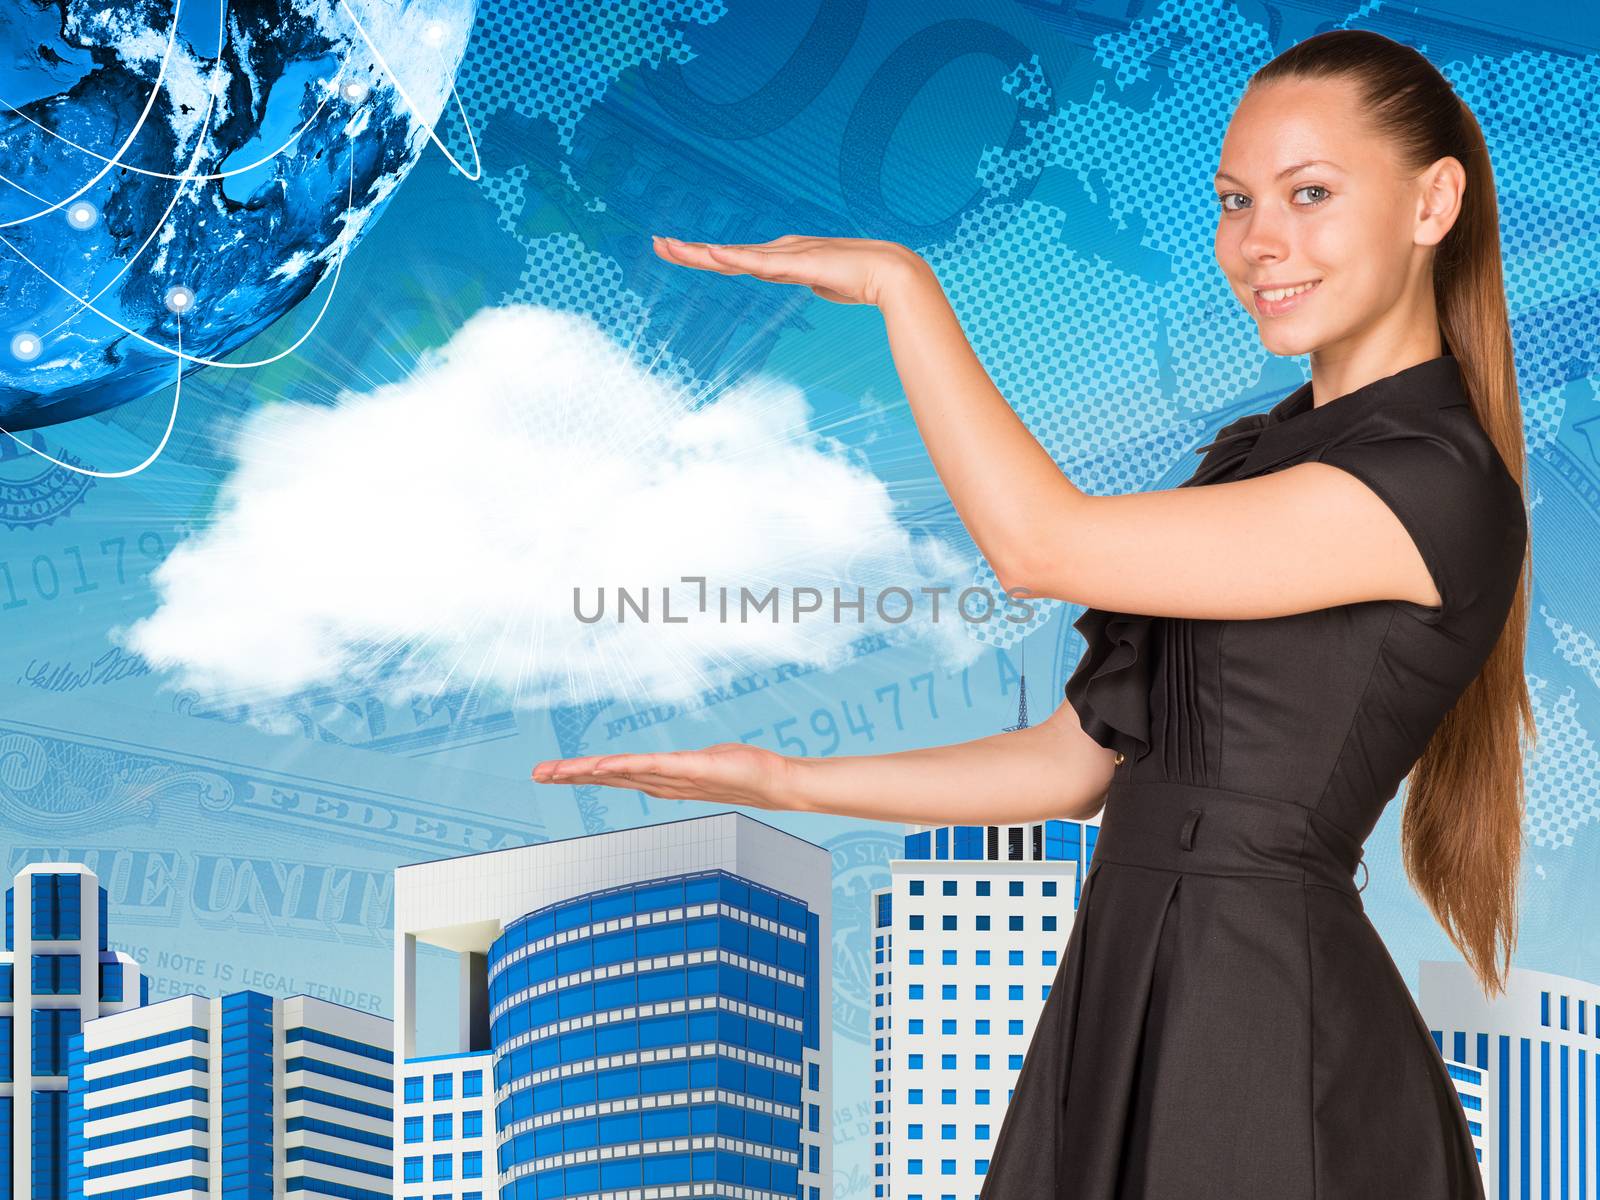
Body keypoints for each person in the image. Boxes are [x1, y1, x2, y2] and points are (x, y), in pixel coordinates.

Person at [532, 27, 1532, 1199]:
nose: (1260, 243)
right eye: (1233, 200)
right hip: (1132, 984)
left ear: (1433, 204)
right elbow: (1070, 767)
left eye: (1310, 194)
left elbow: (1038, 544)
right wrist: (783, 781)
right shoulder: (1259, 459)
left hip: (1260, 1023)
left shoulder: (1433, 480)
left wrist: (904, 292)